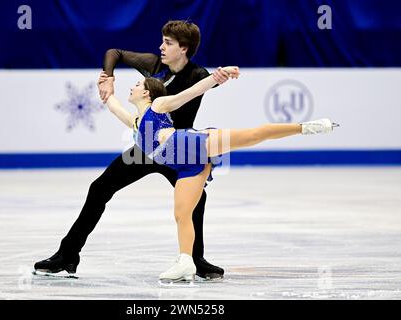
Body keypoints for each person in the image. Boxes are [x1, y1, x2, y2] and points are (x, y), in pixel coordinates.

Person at [34, 20, 229, 280]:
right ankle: (67, 254)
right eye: (163, 40)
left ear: (183, 49)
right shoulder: (153, 64)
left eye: (168, 43)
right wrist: (108, 77)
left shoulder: (196, 75)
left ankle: (195, 259)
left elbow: (206, 84)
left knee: (198, 199)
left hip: (175, 152)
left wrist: (221, 75)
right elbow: (114, 52)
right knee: (99, 188)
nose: (161, 47)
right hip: (145, 148)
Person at [105, 68, 338, 282]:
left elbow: (191, 92)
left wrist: (216, 77)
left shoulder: (159, 105)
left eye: (137, 84)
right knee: (182, 214)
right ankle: (186, 262)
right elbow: (114, 107)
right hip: (186, 167)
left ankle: (308, 127)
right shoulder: (136, 123)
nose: (132, 87)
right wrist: (106, 86)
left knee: (253, 135)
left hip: (194, 145)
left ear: (147, 93)